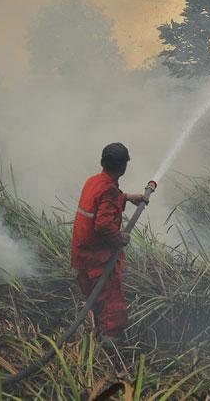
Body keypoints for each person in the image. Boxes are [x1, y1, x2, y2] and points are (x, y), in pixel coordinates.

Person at [71, 142, 148, 344]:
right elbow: (104, 223)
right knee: (112, 309)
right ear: (123, 168)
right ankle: (108, 352)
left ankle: (98, 335)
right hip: (98, 259)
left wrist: (128, 198)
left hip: (82, 255)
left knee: (97, 301)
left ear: (102, 162)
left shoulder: (93, 181)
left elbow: (103, 200)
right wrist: (119, 238)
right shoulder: (109, 191)